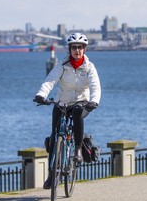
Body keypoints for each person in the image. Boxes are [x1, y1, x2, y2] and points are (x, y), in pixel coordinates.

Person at [34, 33, 101, 189]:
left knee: (78, 111)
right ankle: (51, 174)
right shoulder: (62, 65)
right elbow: (50, 80)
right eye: (74, 47)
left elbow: (95, 86)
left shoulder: (89, 67)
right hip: (62, 102)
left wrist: (94, 102)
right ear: (69, 49)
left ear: (84, 49)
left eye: (80, 47)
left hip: (82, 103)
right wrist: (41, 95)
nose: (77, 50)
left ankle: (77, 149)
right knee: (54, 133)